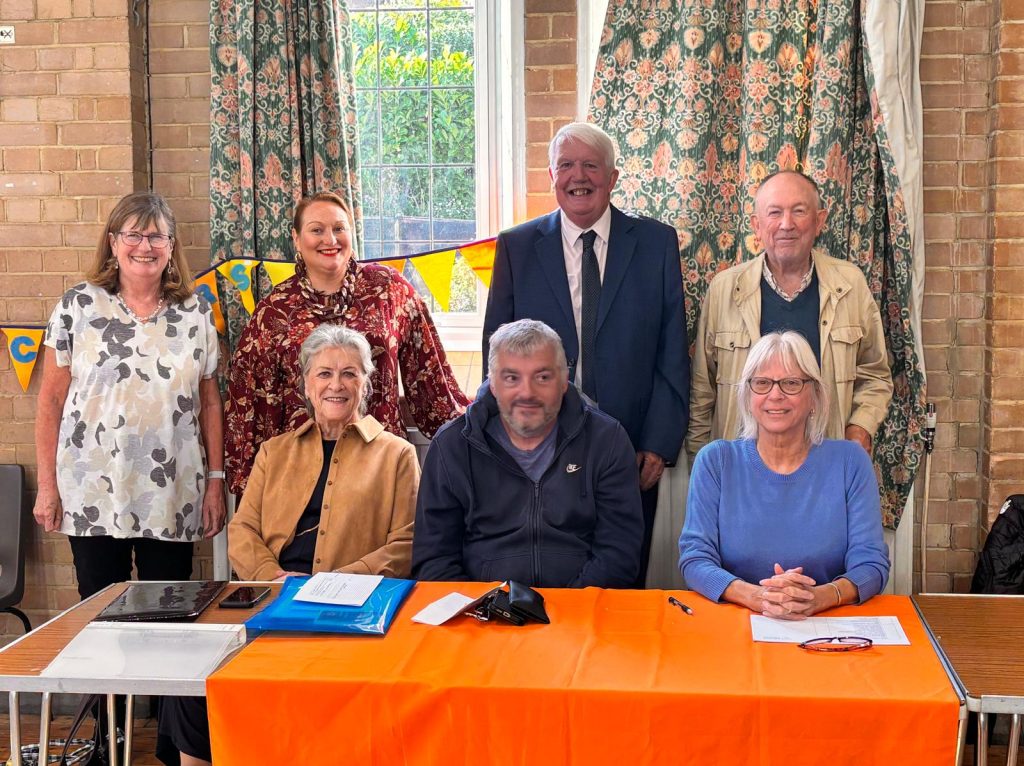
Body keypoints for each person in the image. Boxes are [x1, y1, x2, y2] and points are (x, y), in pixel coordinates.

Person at [160, 324, 419, 766]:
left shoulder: (397, 455)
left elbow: (407, 542)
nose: (336, 384)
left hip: (352, 608)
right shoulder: (273, 452)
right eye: (324, 374)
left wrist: (332, 584)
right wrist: (275, 579)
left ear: (368, 384)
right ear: (305, 384)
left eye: (350, 374)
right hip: (271, 598)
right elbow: (242, 531)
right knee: (195, 683)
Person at [483, 122, 689, 586]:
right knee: (544, 570)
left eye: (591, 165)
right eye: (567, 165)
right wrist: (506, 435)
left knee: (621, 574)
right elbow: (495, 350)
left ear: (612, 177)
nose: (579, 176)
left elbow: (672, 348)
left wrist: (658, 442)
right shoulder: (516, 247)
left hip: (632, 447)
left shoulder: (655, 243)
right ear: (552, 176)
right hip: (539, 445)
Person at [34, 190, 225, 597]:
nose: (145, 247)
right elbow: (50, 401)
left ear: (171, 247)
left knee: (168, 610)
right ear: (113, 242)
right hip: (92, 487)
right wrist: (47, 485)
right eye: (133, 235)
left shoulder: (197, 313)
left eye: (157, 237)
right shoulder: (77, 307)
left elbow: (210, 403)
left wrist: (215, 482)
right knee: (99, 609)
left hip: (172, 488)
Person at [225, 191, 469, 496]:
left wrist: (479, 436)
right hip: (300, 472)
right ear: (297, 239)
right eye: (317, 230)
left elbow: (430, 378)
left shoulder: (390, 290)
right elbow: (250, 401)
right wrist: (249, 485)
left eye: (339, 228)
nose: (330, 239)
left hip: (378, 462)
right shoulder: (274, 310)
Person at [413, 319, 643, 588]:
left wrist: (565, 613)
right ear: (493, 383)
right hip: (481, 618)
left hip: (583, 613)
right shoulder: (452, 446)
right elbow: (434, 561)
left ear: (564, 381)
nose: (527, 393)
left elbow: (619, 554)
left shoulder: (607, 440)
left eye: (542, 377)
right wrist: (490, 613)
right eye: (512, 377)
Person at [686, 170, 893, 463]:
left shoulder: (850, 285)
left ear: (819, 221)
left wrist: (860, 428)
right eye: (774, 213)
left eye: (799, 211)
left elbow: (875, 374)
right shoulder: (725, 290)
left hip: (827, 464)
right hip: (743, 467)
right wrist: (703, 464)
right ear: (757, 226)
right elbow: (701, 391)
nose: (786, 224)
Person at [679, 331, 890, 618]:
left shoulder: (850, 462)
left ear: (815, 395)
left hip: (828, 624)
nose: (775, 395)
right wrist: (757, 597)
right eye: (762, 383)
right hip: (736, 622)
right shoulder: (715, 461)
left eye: (791, 383)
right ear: (748, 395)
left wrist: (819, 597)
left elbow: (872, 564)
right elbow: (695, 559)